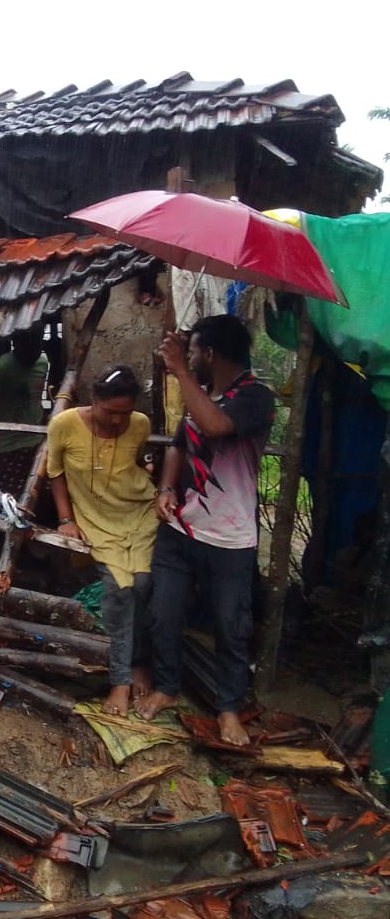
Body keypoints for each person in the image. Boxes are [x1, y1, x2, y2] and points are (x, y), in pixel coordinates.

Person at [136, 315, 275, 746]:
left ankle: (229, 709)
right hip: (181, 530)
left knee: (230, 625)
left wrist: (178, 370)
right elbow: (180, 443)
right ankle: (167, 687)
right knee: (163, 613)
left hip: (230, 539)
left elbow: (215, 426)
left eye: (194, 351)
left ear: (210, 354)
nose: (190, 357)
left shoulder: (255, 398)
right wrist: (165, 488)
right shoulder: (206, 394)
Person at [47, 365, 158, 717]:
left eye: (124, 413)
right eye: (111, 412)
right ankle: (120, 680)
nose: (117, 421)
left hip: (140, 513)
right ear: (93, 400)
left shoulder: (139, 424)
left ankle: (138, 662)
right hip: (97, 522)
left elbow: (138, 461)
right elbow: (55, 474)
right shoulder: (63, 425)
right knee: (118, 590)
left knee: (144, 585)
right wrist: (66, 519)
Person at [0, 328, 49, 494]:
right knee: (12, 498)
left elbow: (39, 398)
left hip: (37, 439)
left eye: (37, 343)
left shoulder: (42, 363)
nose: (33, 349)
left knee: (38, 492)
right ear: (15, 343)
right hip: (9, 445)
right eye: (27, 344)